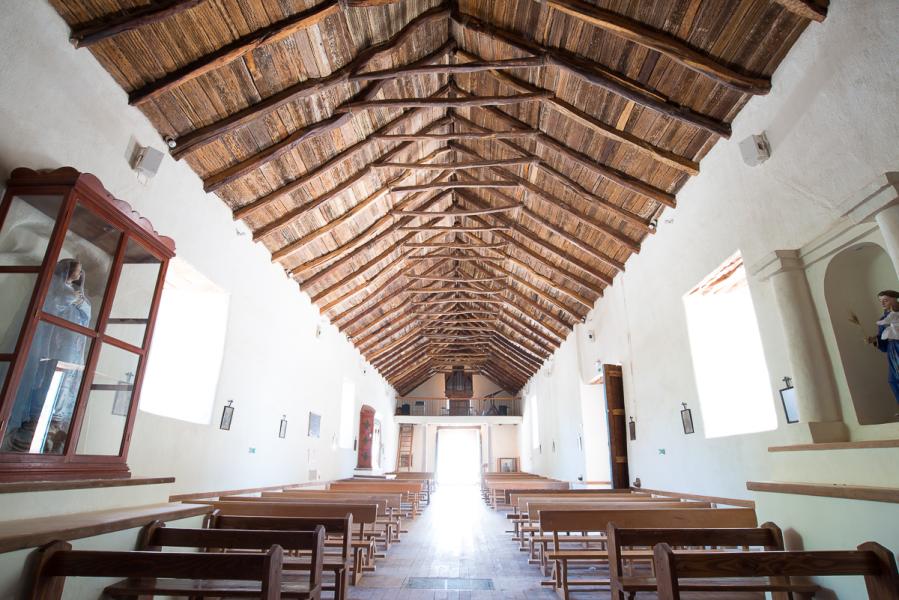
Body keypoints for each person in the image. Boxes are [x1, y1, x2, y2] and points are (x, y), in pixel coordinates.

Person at [1, 259, 91, 453]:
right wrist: (70, 298)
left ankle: (51, 423)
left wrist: (79, 300)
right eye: (77, 270)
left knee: (58, 384)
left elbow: (86, 312)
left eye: (80, 271)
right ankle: (30, 422)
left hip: (67, 349)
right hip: (48, 346)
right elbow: (51, 303)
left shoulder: (77, 293)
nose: (79, 274)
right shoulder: (53, 286)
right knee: (39, 380)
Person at [867, 290, 899, 413]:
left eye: (885, 300)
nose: (883, 303)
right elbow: (882, 338)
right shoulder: (883, 318)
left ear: (894, 299)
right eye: (881, 301)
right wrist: (874, 340)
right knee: (893, 379)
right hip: (892, 349)